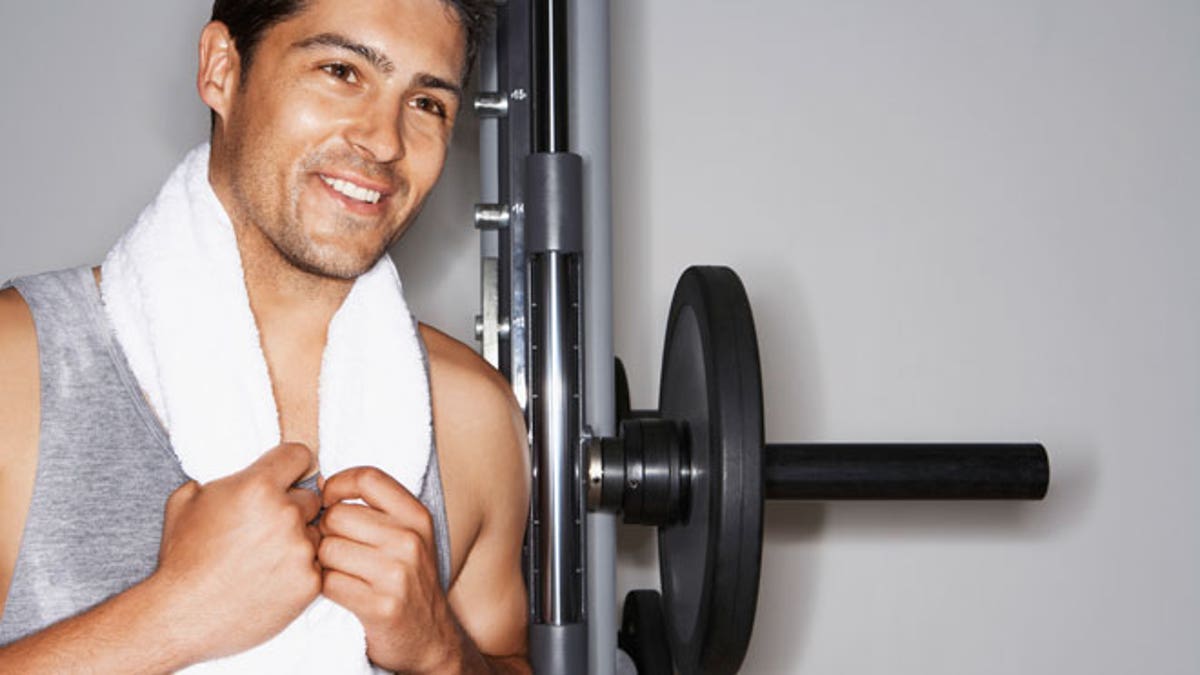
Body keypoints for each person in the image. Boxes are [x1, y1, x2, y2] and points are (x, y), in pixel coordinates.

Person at [0, 0, 531, 672]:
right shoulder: (18, 369)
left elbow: (506, 657)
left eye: (426, 103)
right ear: (221, 69)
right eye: (341, 70)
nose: (385, 140)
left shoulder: (471, 416)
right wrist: (173, 613)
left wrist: (441, 649)